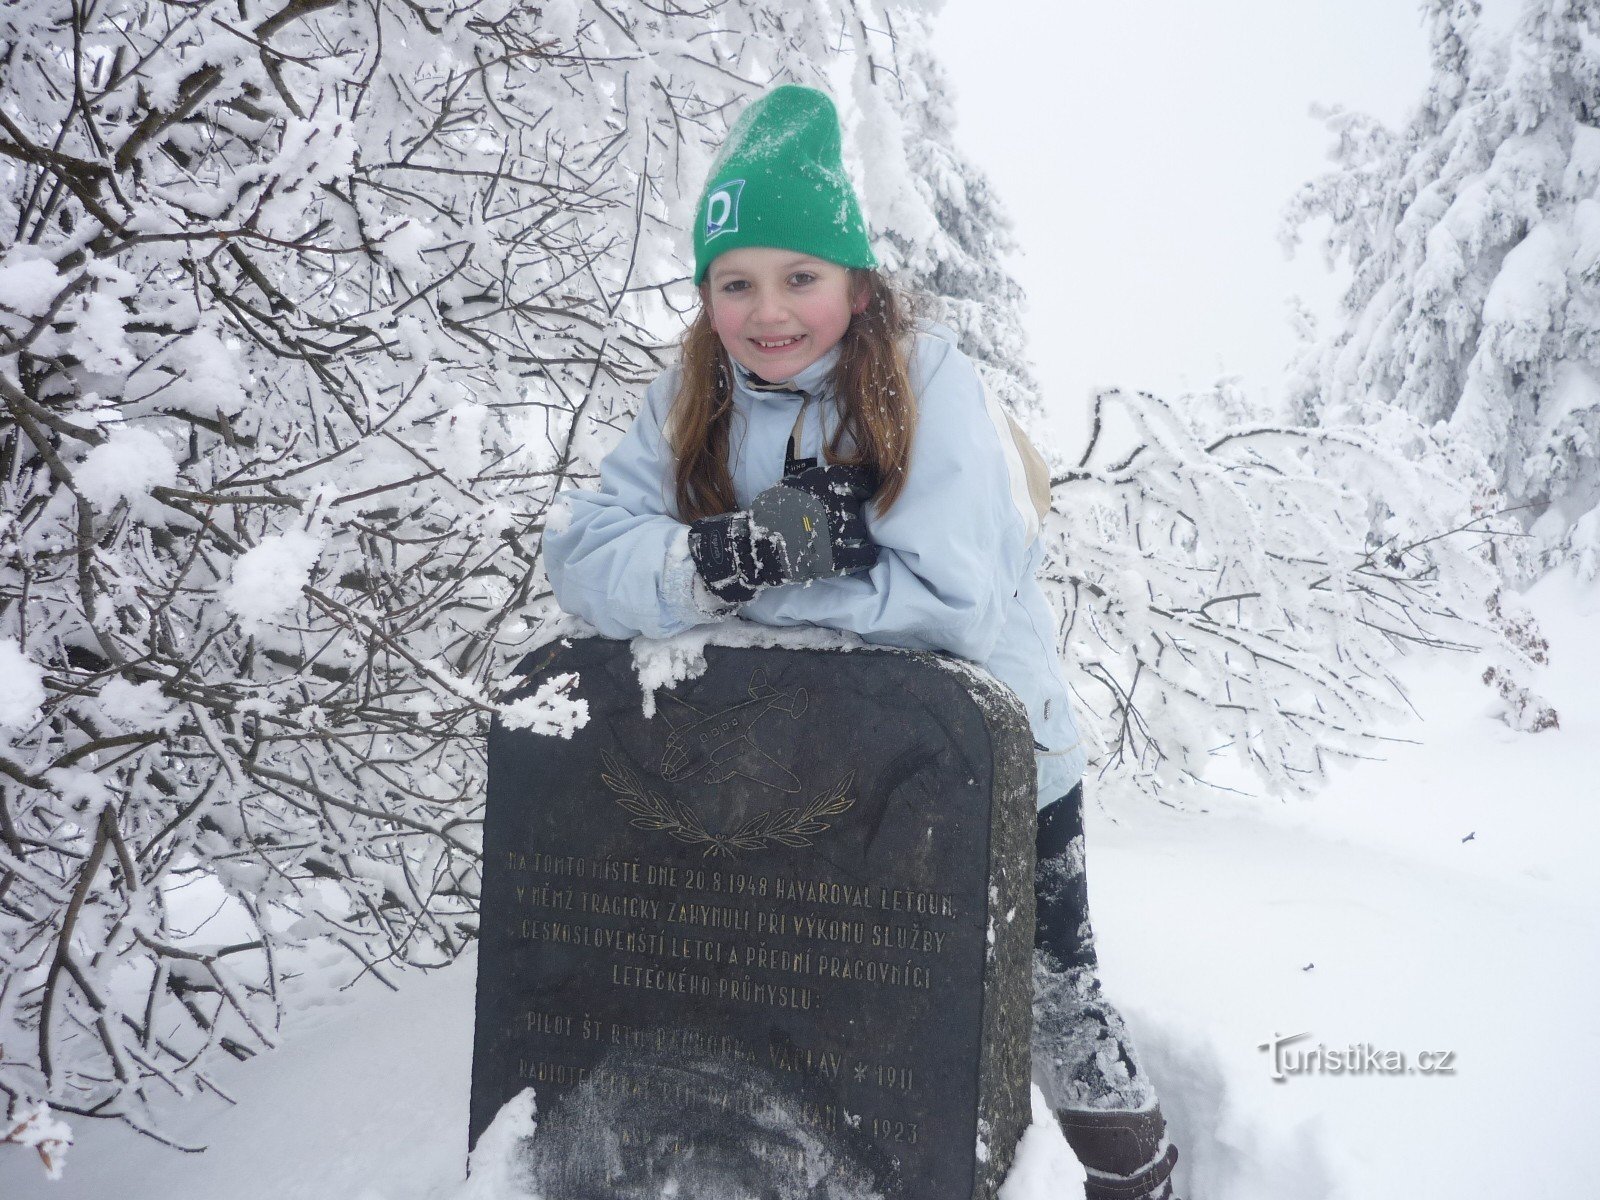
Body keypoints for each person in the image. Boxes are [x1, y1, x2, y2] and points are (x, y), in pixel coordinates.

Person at [541, 83, 1180, 1200]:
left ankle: (1138, 1179)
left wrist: (742, 591)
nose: (768, 311)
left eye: (800, 278)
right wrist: (731, 558)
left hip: (990, 759)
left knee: (1045, 996)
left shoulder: (929, 386)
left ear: (854, 281)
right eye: (735, 282)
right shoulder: (690, 390)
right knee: (847, 987)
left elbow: (946, 604)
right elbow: (583, 563)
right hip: (800, 756)